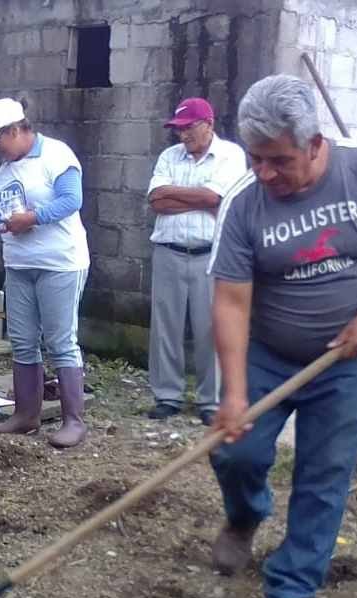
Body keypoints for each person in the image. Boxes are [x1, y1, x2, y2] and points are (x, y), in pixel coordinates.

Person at [208, 75, 357, 598]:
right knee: (237, 451)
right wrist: (234, 393)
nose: (264, 173)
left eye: (278, 160)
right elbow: (231, 302)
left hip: (348, 363)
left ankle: (291, 590)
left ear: (314, 143)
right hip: (269, 355)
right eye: (255, 158)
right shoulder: (244, 202)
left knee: (323, 478)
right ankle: (246, 514)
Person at [0, 98, 90, 448]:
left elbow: (72, 200)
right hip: (20, 264)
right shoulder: (5, 170)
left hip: (59, 262)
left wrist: (32, 218)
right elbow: (0, 215)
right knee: (22, 340)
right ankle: (25, 415)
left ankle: (73, 421)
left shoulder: (57, 155)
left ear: (16, 130)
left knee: (60, 341)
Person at [146, 97, 247, 426]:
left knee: (211, 328)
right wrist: (202, 198)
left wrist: (180, 194)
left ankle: (210, 400)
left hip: (211, 253)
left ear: (209, 124)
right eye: (179, 129)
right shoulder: (168, 156)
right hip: (169, 250)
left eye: (189, 127)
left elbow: (218, 198)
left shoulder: (231, 154)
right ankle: (167, 396)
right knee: (166, 328)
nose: (183, 135)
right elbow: (156, 201)